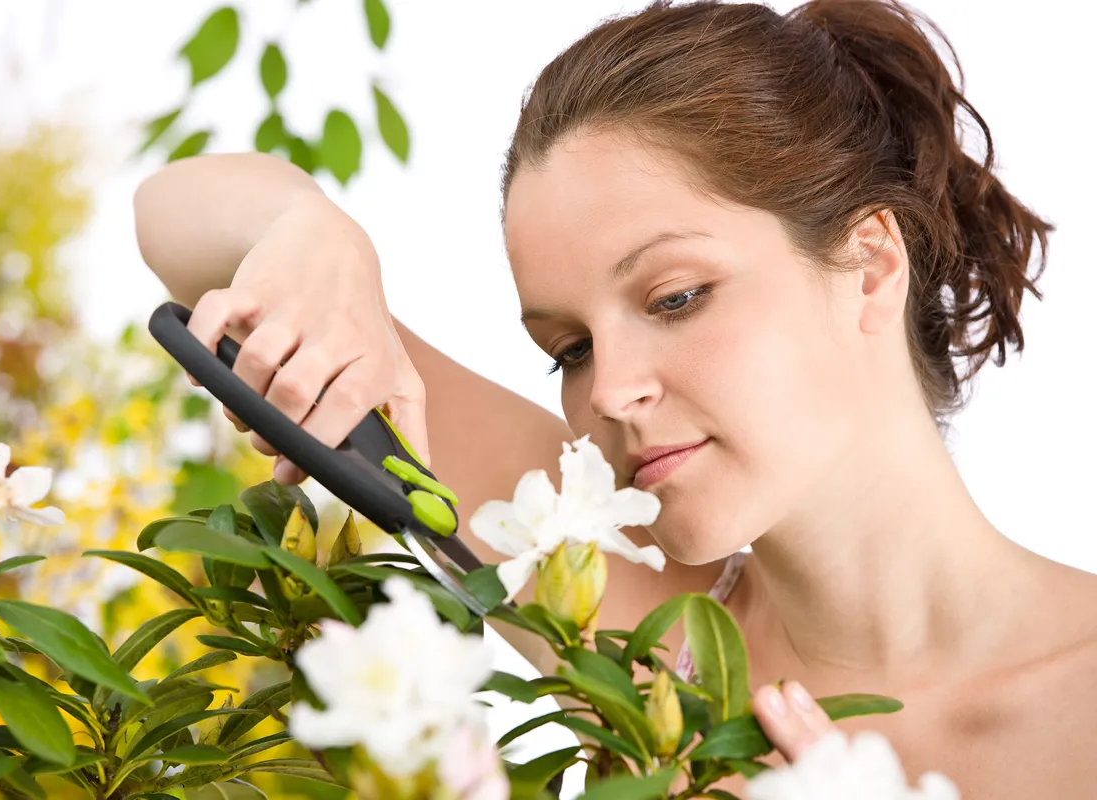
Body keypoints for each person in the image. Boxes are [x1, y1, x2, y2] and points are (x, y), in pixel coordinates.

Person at [132, 0, 1097, 795]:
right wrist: (320, 236)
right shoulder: (616, 608)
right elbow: (175, 220)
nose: (614, 394)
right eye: (569, 349)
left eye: (677, 297)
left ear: (871, 266)